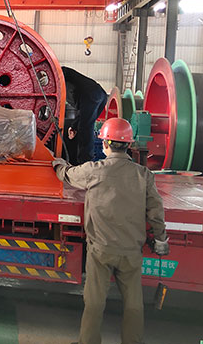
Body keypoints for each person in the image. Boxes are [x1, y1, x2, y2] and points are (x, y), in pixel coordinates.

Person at [51, 118, 168, 344]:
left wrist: (57, 163)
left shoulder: (94, 171)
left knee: (94, 302)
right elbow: (156, 210)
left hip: (101, 251)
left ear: (105, 143)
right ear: (129, 145)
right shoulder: (144, 175)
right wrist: (161, 239)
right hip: (131, 251)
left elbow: (67, 175)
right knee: (134, 304)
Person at [62, 66, 108, 164]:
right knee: (86, 125)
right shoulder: (75, 90)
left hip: (92, 94)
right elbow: (82, 114)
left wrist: (49, 75)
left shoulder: (63, 73)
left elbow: (64, 70)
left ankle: (85, 162)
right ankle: (85, 159)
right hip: (101, 95)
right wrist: (74, 126)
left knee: (85, 128)